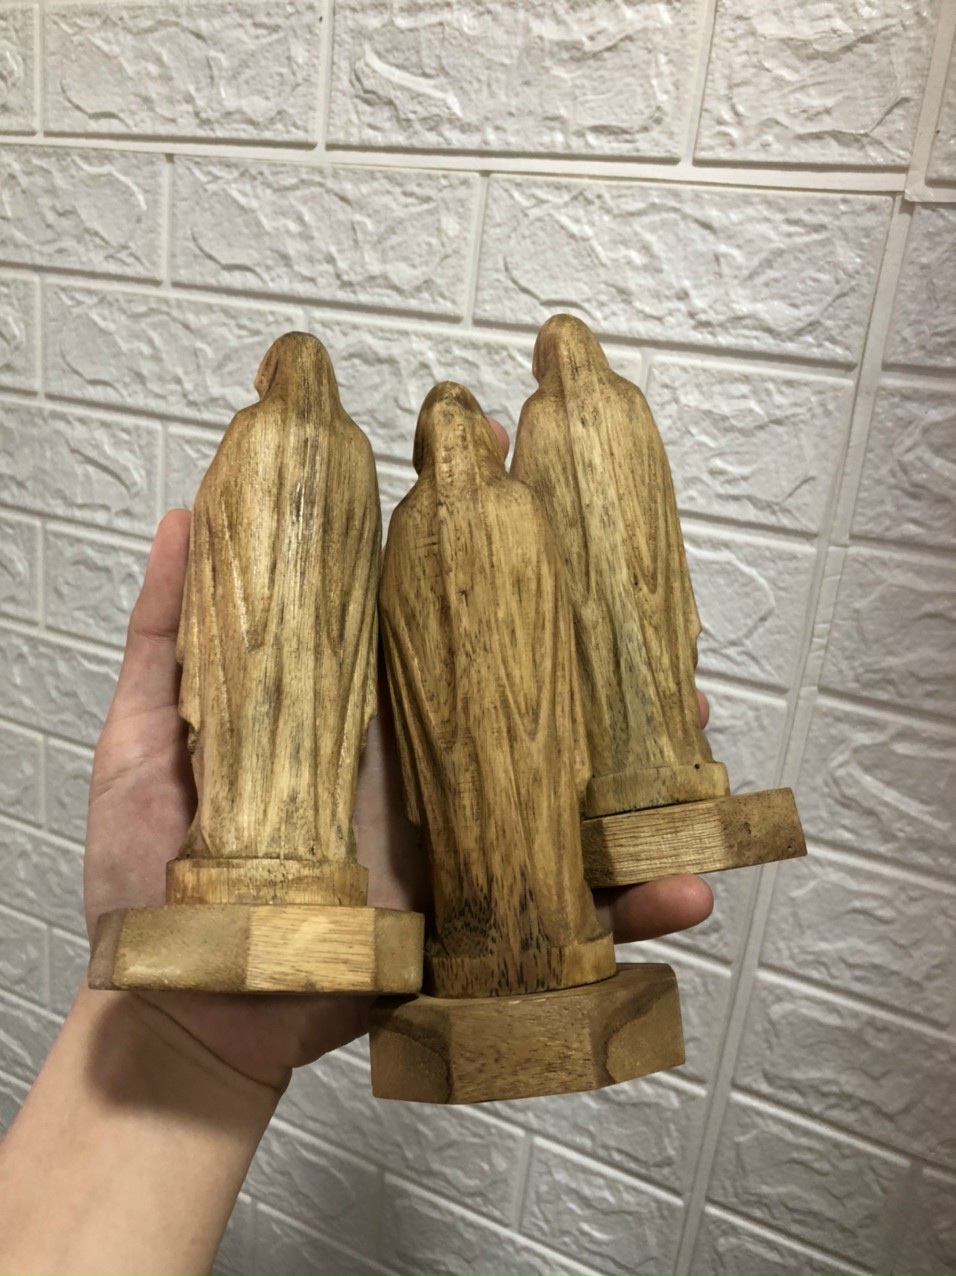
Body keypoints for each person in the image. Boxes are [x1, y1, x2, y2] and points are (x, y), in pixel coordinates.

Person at [0, 421, 713, 1276]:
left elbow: (496, 662)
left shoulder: (422, 511)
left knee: (502, 791)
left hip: (501, 781)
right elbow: (397, 670)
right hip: (353, 789)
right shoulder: (400, 507)